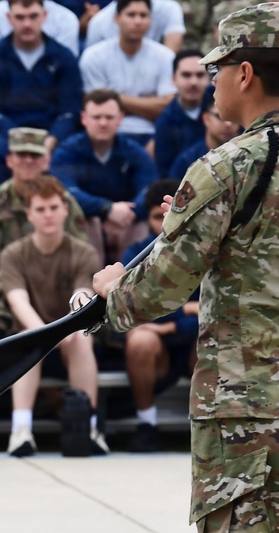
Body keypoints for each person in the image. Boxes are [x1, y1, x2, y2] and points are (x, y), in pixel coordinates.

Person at [94, 1, 279, 532]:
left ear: (245, 73)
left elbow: (159, 291)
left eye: (217, 70)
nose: (212, 82)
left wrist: (113, 289)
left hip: (246, 405)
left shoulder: (226, 166)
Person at [0, 174, 107, 457]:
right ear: (29, 215)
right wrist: (46, 335)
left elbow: (82, 297)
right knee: (28, 340)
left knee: (82, 341)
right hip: (36, 332)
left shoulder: (83, 252)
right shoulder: (13, 254)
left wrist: (66, 330)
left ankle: (89, 426)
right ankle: (21, 431)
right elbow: (17, 301)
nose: (48, 215)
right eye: (40, 209)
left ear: (64, 210)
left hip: (72, 334)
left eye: (53, 208)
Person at [0, 127, 90, 345]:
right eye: (21, 155)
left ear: (46, 161)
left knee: (100, 318)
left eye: (35, 155)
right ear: (10, 160)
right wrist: (22, 295)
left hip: (59, 288)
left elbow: (80, 253)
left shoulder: (65, 203)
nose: (28, 161)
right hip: (7, 290)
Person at [119, 177, 198, 453]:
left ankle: (207, 427)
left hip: (197, 347)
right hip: (156, 353)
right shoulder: (135, 254)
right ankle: (147, 425)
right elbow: (131, 311)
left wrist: (168, 326)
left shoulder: (206, 250)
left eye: (170, 213)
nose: (164, 222)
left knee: (216, 336)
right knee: (140, 339)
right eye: (157, 216)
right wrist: (187, 310)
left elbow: (217, 312)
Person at [0, 0, 83, 178]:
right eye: (20, 17)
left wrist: (51, 141)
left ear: (44, 16)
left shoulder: (63, 57)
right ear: (9, 18)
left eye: (33, 16)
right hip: (7, 135)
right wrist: (21, 142)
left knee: (72, 150)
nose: (27, 24)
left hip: (52, 133)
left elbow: (70, 110)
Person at [51, 88, 158, 263]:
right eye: (96, 117)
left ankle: (131, 282)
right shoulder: (66, 151)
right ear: (84, 118)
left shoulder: (133, 151)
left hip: (126, 221)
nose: (103, 123)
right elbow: (64, 191)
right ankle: (90, 284)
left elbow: (149, 188)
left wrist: (128, 213)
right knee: (89, 222)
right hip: (87, 221)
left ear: (120, 118)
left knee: (138, 225)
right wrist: (106, 210)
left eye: (109, 117)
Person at [79, 0, 178, 144]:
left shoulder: (165, 56)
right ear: (117, 19)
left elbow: (166, 108)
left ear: (151, 20)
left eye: (143, 15)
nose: (137, 21)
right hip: (106, 134)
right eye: (131, 15)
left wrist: (114, 96)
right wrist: (150, 101)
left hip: (153, 135)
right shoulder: (94, 56)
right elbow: (97, 108)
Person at [153, 49, 210, 177]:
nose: (193, 82)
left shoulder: (224, 103)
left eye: (200, 75)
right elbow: (164, 174)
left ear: (208, 78)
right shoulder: (165, 123)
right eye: (186, 75)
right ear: (173, 79)